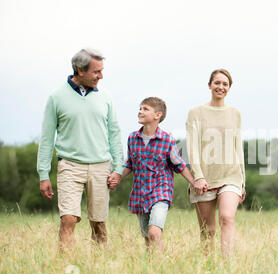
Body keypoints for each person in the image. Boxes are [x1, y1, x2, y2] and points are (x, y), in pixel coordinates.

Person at [37, 48, 124, 251]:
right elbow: (47, 138)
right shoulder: (56, 97)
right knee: (68, 219)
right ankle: (66, 270)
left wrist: (118, 168)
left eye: (102, 71)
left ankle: (98, 269)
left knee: (99, 224)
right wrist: (43, 174)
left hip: (101, 166)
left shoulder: (106, 97)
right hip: (69, 165)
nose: (101, 76)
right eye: (96, 72)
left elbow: (114, 134)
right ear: (80, 70)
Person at [121, 97, 196, 252]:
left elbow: (179, 164)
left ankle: (159, 263)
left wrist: (194, 182)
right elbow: (129, 164)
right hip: (141, 194)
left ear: (157, 115)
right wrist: (117, 177)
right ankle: (153, 267)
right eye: (140, 108)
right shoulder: (132, 138)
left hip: (160, 192)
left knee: (154, 232)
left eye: (145, 109)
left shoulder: (167, 139)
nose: (140, 111)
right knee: (147, 237)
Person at [186, 69, 246, 257]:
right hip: (204, 178)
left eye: (225, 84)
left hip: (231, 176)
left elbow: (238, 147)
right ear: (210, 85)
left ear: (229, 88)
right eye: (217, 83)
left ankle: (227, 265)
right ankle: (208, 268)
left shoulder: (235, 113)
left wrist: (242, 180)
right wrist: (198, 176)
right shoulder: (196, 112)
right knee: (208, 231)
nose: (221, 87)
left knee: (227, 218)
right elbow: (192, 146)